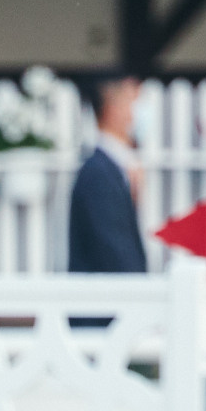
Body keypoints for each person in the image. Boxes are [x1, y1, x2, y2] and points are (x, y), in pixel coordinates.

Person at [68, 74, 147, 274]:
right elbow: (114, 253)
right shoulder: (98, 173)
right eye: (135, 101)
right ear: (113, 109)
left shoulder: (114, 169)